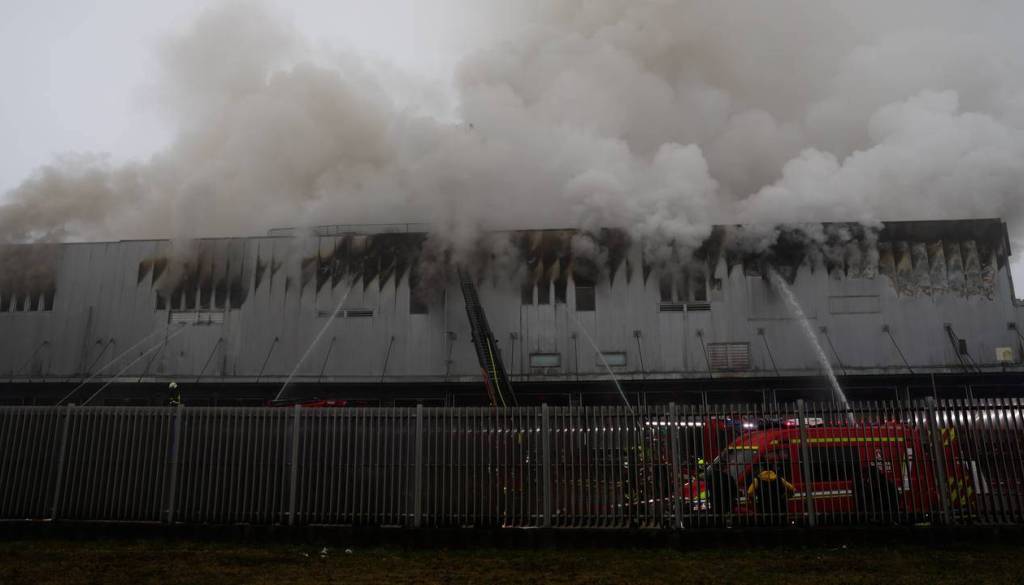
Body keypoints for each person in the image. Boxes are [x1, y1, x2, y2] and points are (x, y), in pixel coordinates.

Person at [747, 457, 795, 525]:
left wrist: (754, 501)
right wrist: (785, 497)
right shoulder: (779, 479)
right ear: (772, 469)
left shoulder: (757, 480)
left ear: (762, 469)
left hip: (764, 509)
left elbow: (749, 492)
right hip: (779, 508)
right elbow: (792, 488)